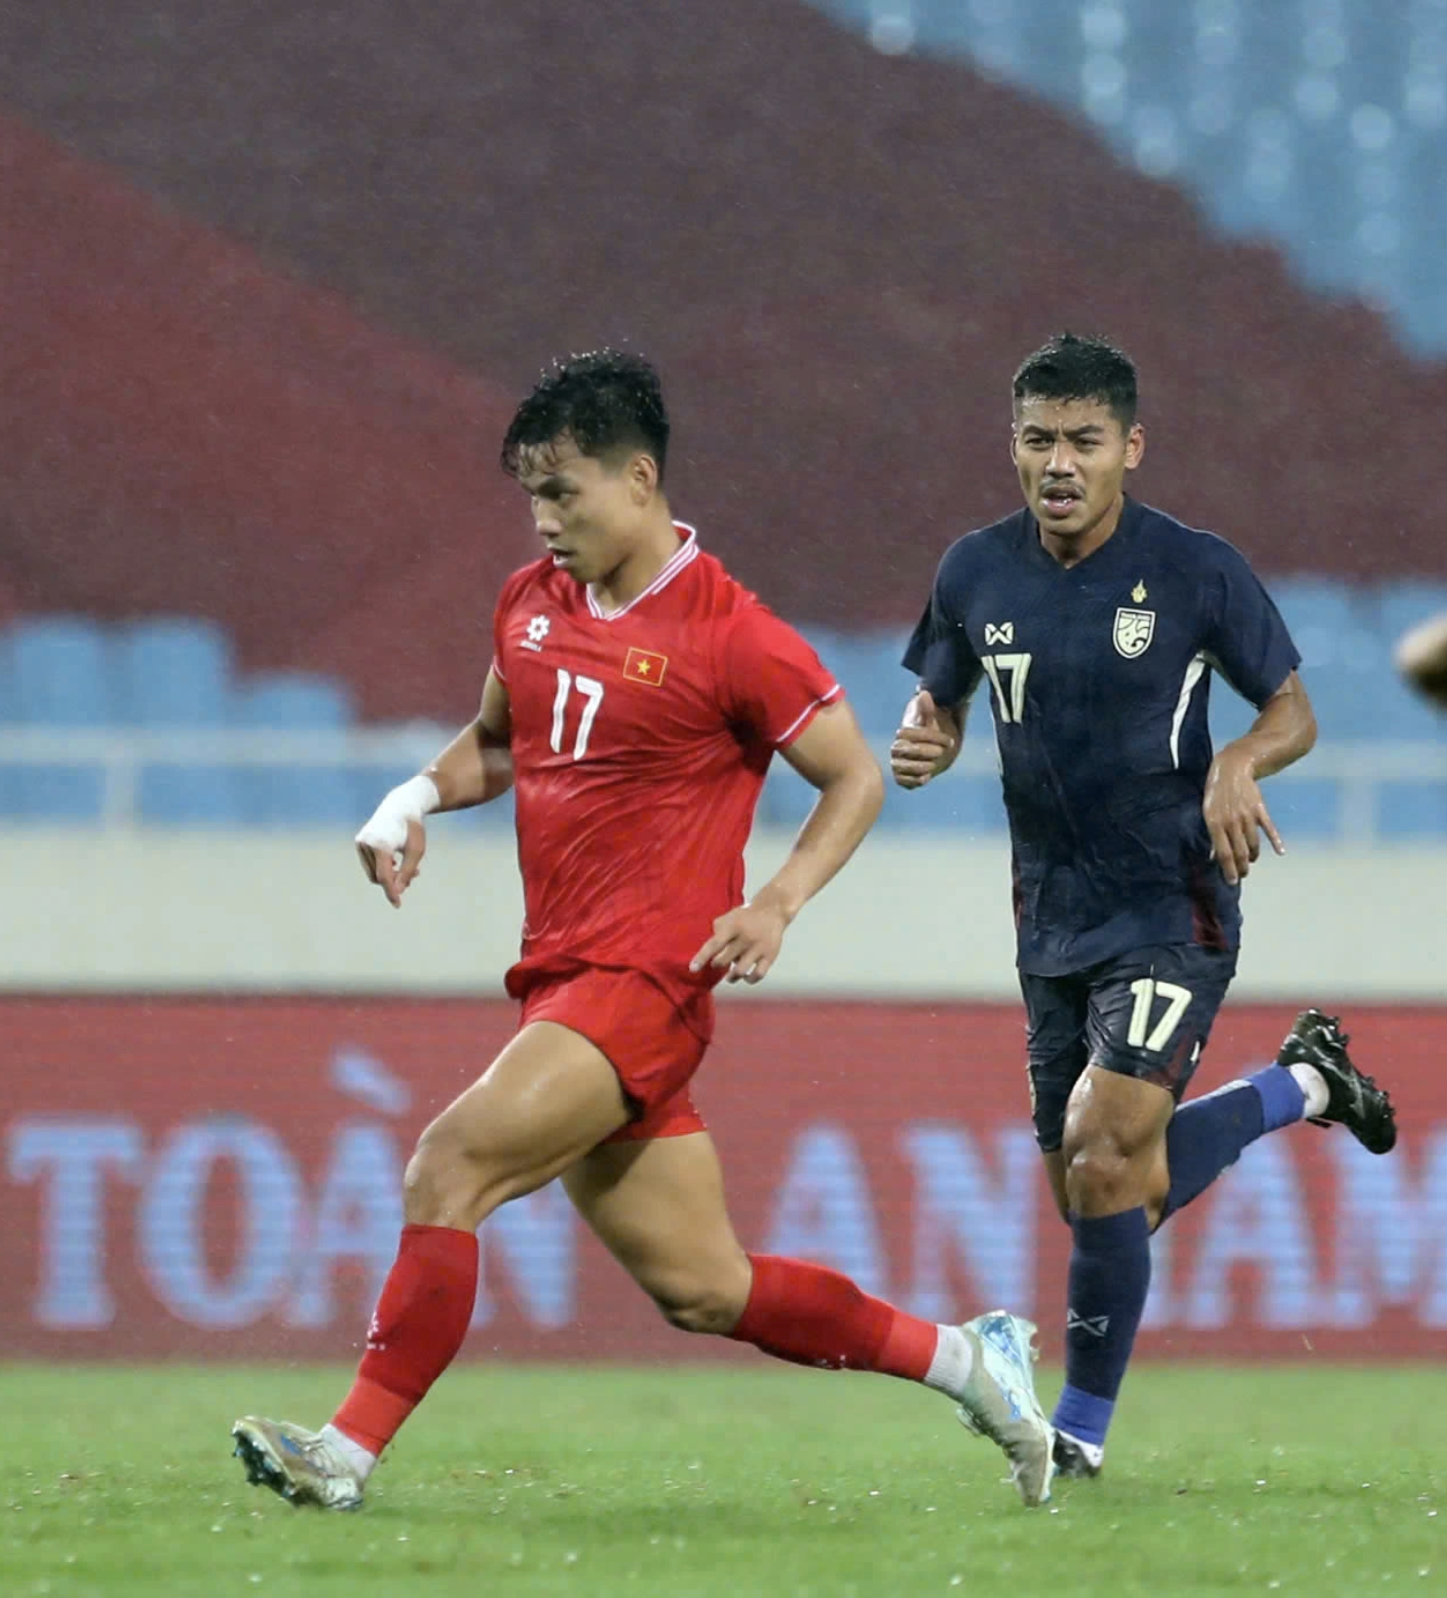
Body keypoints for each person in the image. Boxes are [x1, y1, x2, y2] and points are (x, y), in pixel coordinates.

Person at [232, 350, 1057, 1512]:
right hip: (563, 977)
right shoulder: (529, 603)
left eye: (564, 491)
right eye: (532, 494)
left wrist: (775, 901)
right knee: (706, 1287)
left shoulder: (732, 632)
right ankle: (975, 1363)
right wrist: (412, 797)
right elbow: (500, 739)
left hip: (647, 983)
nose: (544, 518)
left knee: (448, 1164)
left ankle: (344, 1453)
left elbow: (853, 774)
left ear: (639, 476)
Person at [890, 333, 1397, 1482]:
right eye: (1038, 440)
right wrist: (932, 737)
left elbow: (1293, 709)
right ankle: (1306, 1082)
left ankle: (1078, 1438)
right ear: (1011, 446)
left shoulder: (1194, 568)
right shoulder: (974, 569)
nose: (1059, 463)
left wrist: (1239, 765)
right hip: (1049, 915)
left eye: (1083, 441)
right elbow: (944, 700)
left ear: (1130, 447)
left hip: (1175, 897)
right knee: (1103, 1189)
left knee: (1104, 1150)